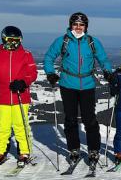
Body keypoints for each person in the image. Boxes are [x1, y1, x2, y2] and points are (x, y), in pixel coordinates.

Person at [43, 12, 113, 170]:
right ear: (70, 25)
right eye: (75, 24)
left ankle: (93, 150)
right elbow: (48, 57)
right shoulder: (63, 41)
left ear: (86, 26)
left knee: (90, 120)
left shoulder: (92, 42)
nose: (78, 27)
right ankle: (73, 149)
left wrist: (108, 71)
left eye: (81, 25)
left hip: (88, 85)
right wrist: (50, 73)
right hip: (68, 84)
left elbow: (103, 59)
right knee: (70, 119)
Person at [0, 26, 38, 167]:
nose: (13, 43)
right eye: (10, 40)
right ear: (4, 39)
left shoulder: (26, 54)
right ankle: (0, 152)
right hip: (2, 96)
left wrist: (23, 82)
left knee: (21, 125)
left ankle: (24, 152)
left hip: (20, 95)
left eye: (16, 40)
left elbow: (32, 73)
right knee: (3, 126)